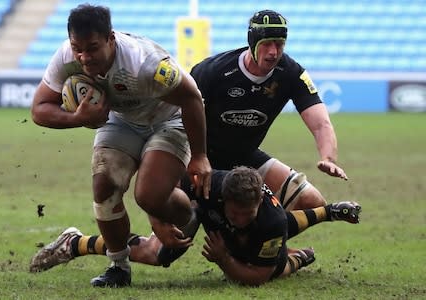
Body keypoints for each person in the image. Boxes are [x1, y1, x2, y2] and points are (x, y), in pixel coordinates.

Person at [30, 4, 211, 288]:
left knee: (149, 196)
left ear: (111, 39)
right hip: (122, 121)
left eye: (92, 48)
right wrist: (77, 118)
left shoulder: (146, 62)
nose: (84, 57)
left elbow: (192, 98)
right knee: (104, 188)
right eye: (78, 48)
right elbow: (39, 108)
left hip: (168, 119)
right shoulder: (66, 57)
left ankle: (184, 212)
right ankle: (118, 266)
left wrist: (199, 156)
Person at [30, 166, 361, 286]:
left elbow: (257, 277)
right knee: (157, 255)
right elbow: (157, 191)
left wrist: (224, 260)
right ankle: (75, 243)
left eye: (247, 214)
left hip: (264, 233)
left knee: (264, 262)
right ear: (224, 199)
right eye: (235, 213)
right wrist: (160, 224)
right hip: (199, 212)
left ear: (258, 204)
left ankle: (301, 254)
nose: (240, 218)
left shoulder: (269, 220)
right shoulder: (209, 186)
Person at [190, 9, 348, 211]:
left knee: (311, 202)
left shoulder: (291, 73)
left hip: (245, 158)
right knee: (183, 220)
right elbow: (176, 120)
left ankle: (257, 243)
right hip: (201, 158)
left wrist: (328, 158)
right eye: (267, 44)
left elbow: (321, 124)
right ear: (252, 42)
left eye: (279, 44)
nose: (274, 52)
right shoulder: (212, 71)